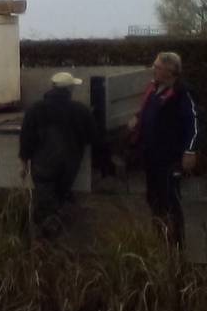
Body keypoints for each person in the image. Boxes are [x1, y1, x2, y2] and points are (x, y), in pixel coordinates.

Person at [19, 71, 107, 237]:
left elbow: (26, 139)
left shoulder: (35, 110)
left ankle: (43, 237)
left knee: (46, 201)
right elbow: (94, 138)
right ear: (71, 89)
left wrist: (24, 162)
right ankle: (53, 235)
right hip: (69, 165)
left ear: (52, 87)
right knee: (58, 197)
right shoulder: (81, 111)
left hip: (42, 165)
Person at [128, 51, 201, 249]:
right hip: (151, 156)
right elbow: (147, 111)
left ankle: (176, 249)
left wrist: (190, 151)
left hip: (170, 158)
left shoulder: (182, 92)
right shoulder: (153, 89)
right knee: (153, 199)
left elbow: (194, 122)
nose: (153, 69)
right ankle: (160, 241)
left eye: (157, 67)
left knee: (171, 202)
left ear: (170, 71)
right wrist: (137, 119)